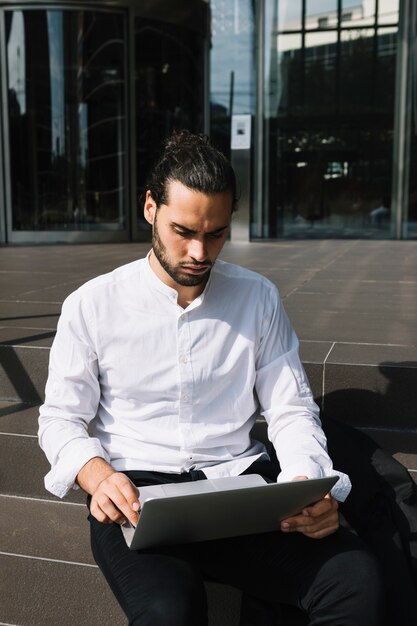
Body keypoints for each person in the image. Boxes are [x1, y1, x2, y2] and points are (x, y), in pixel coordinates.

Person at [38, 131, 383, 626]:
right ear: (150, 208)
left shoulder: (257, 298)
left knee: (353, 578)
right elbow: (60, 419)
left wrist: (306, 484)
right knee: (166, 613)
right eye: (184, 231)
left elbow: (290, 408)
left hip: (238, 488)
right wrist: (97, 476)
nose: (200, 251)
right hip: (136, 494)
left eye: (216, 233)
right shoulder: (92, 305)